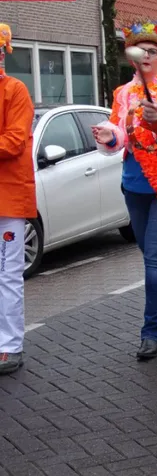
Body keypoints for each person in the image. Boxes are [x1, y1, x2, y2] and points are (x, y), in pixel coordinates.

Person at [91, 20, 157, 360]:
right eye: (140, 51)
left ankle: (151, 332)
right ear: (132, 58)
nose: (146, 56)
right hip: (134, 181)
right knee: (152, 255)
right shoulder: (122, 93)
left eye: (153, 51)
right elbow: (120, 132)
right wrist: (109, 136)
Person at [0, 24, 35, 375]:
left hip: (7, 198)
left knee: (7, 274)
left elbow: (14, 142)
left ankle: (9, 345)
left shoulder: (15, 90)